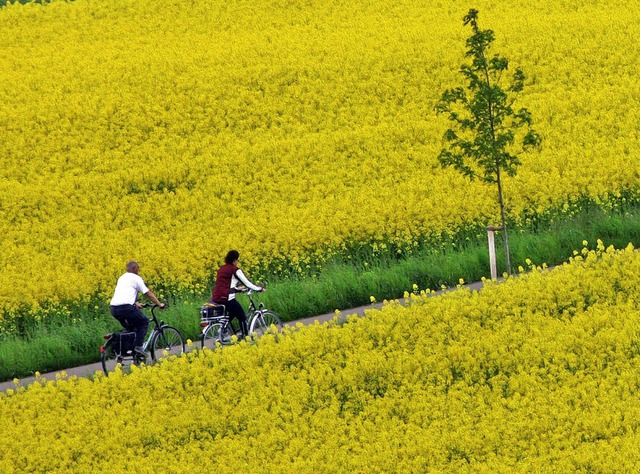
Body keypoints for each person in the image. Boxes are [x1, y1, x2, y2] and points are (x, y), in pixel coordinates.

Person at [110, 260, 165, 357]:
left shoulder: (122, 278)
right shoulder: (136, 278)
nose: (138, 270)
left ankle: (129, 352)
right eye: (138, 268)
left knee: (131, 329)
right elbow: (148, 293)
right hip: (126, 308)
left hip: (114, 308)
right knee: (144, 322)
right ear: (135, 269)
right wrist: (159, 304)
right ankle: (138, 347)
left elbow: (124, 294)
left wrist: (135, 304)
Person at [210, 250, 264, 338]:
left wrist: (237, 289)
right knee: (242, 316)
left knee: (232, 313)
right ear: (234, 260)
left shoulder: (222, 269)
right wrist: (259, 289)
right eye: (238, 260)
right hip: (227, 298)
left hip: (216, 297)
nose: (238, 262)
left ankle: (223, 329)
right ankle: (245, 338)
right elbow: (247, 283)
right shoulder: (234, 270)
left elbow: (224, 284)